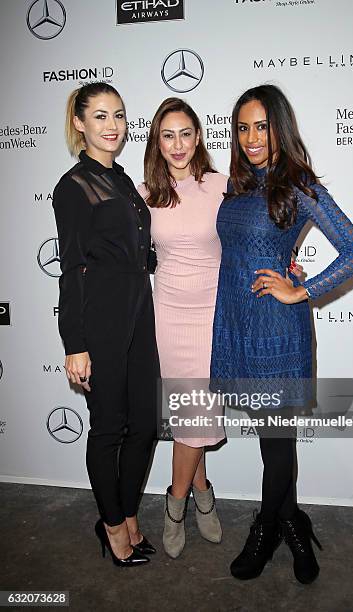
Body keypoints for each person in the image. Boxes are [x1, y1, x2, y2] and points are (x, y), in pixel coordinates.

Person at [210, 84, 353, 583]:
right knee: (272, 439)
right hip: (238, 326)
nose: (252, 137)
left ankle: (266, 526)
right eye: (243, 127)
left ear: (280, 127)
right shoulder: (236, 185)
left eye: (262, 126)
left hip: (278, 331)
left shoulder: (299, 184)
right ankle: (292, 520)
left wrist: (301, 290)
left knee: (277, 440)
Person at [52, 82, 160, 567]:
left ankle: (130, 514)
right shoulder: (73, 187)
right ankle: (112, 527)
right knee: (108, 429)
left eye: (118, 114)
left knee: (144, 426)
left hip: (142, 316)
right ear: (79, 124)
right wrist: (75, 343)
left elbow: (138, 249)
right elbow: (72, 267)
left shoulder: (123, 182)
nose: (112, 125)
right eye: (99, 116)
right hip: (103, 323)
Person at [137, 98, 227, 559]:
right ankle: (201, 493)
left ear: (198, 136)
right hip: (168, 315)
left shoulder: (221, 186)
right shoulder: (145, 193)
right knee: (192, 414)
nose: (177, 145)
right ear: (157, 140)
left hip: (214, 313)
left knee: (197, 414)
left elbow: (251, 236)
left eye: (185, 133)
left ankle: (176, 503)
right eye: (167, 135)